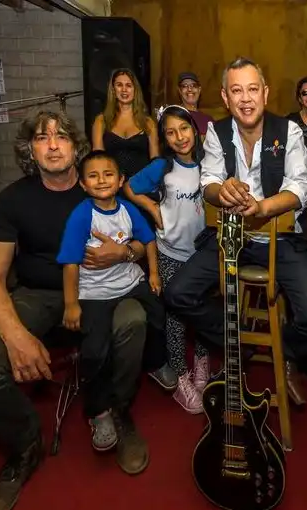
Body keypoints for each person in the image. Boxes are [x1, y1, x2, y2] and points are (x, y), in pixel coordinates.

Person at [0, 111, 150, 510]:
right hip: (38, 297)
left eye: (61, 136)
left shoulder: (100, 183)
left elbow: (142, 239)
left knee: (134, 321)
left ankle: (118, 410)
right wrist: (16, 335)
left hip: (101, 292)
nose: (53, 144)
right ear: (31, 150)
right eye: (42, 138)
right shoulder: (13, 200)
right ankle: (24, 446)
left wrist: (125, 253)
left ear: (76, 147)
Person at [164, 57, 307, 406]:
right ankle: (237, 341)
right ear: (226, 97)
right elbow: (208, 181)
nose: (246, 98)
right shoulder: (216, 132)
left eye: (252, 89)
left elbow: (301, 187)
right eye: (237, 91)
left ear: (265, 93)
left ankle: (284, 351)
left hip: (282, 238)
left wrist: (263, 207)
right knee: (177, 293)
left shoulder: (289, 131)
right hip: (229, 235)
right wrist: (221, 191)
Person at [57, 150, 164, 452]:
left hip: (129, 282)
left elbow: (149, 240)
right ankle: (98, 410)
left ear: (120, 180)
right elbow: (69, 263)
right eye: (93, 176)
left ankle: (156, 363)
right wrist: (71, 304)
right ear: (83, 184)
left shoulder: (128, 209)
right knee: (95, 351)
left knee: (159, 312)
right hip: (95, 293)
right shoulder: (81, 215)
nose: (102, 180)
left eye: (108, 174)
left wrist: (153, 274)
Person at [124, 105, 211, 412]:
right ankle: (181, 374)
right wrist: (152, 207)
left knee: (202, 309)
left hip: (203, 253)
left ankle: (202, 361)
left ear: (195, 130)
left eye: (184, 129)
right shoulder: (162, 166)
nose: (179, 137)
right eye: (171, 132)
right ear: (164, 138)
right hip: (171, 251)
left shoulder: (210, 162)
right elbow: (129, 187)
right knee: (175, 316)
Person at [92, 67, 159, 179]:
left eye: (128, 85)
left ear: (135, 90)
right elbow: (98, 160)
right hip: (112, 183)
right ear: (113, 90)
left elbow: (155, 160)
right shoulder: (101, 121)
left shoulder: (148, 123)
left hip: (142, 183)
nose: (124, 89)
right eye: (119, 85)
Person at [177, 71, 214, 140]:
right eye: (184, 86)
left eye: (194, 85)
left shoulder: (208, 120)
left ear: (199, 90)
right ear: (179, 90)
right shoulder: (174, 116)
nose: (189, 89)